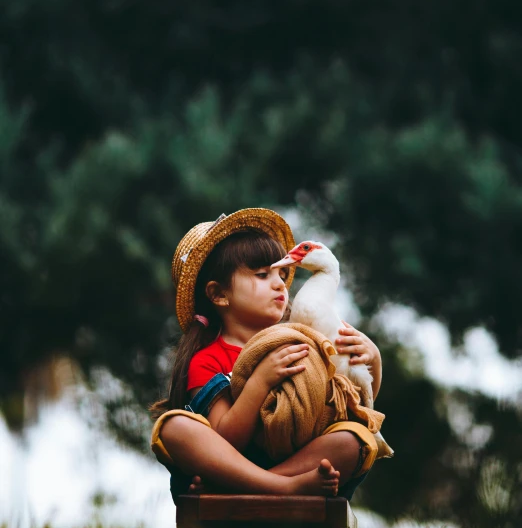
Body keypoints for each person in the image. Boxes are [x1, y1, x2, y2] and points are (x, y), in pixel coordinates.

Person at [150, 208, 382, 501]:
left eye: (282, 274)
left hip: (298, 462)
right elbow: (225, 439)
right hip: (233, 462)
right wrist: (260, 380)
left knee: (353, 438)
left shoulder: (301, 340)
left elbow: (355, 404)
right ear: (219, 295)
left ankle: (250, 486)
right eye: (262, 275)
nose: (280, 284)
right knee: (175, 426)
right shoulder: (207, 360)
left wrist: (373, 360)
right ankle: (279, 487)